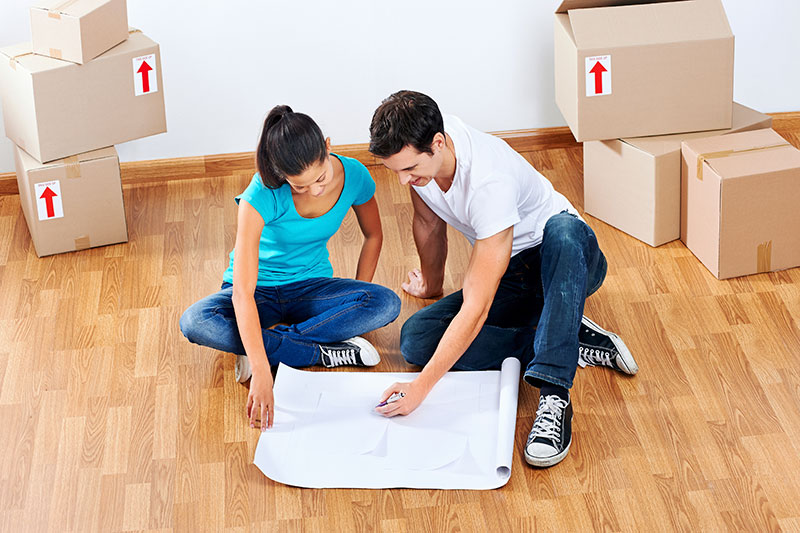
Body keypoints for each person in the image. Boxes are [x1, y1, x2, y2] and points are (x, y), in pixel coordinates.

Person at [368, 91, 638, 468]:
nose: (401, 181)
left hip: (566, 262)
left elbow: (477, 308)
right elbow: (429, 223)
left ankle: (554, 394)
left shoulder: (487, 181)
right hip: (512, 273)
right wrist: (431, 284)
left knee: (563, 230)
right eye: (393, 170)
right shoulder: (421, 161)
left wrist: (421, 389)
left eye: (409, 168)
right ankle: (563, 334)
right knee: (416, 340)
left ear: (438, 144)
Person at [180, 105, 401, 432]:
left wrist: (355, 302)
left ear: (327, 146)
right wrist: (262, 373)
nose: (314, 190)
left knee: (385, 302)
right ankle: (319, 352)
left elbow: (374, 235)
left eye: (320, 178)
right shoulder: (260, 195)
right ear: (282, 177)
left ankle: (266, 346)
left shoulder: (354, 176)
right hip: (258, 292)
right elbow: (242, 293)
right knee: (195, 322)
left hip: (312, 287)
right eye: (299, 186)